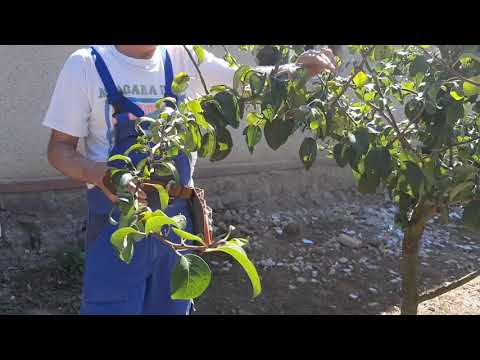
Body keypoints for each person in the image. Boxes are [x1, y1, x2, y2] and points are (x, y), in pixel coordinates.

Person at [43, 45, 336, 315]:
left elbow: (244, 82)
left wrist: (297, 69)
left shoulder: (183, 57)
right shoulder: (87, 65)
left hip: (177, 225)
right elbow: (59, 149)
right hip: (118, 228)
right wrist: (97, 173)